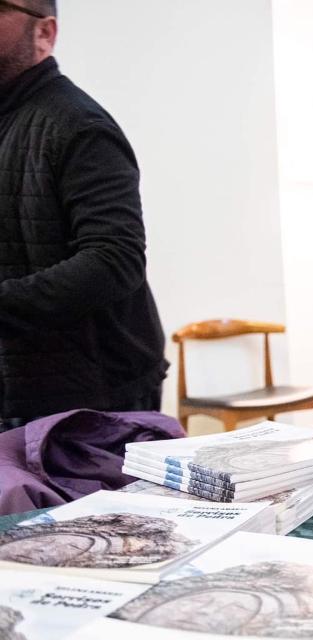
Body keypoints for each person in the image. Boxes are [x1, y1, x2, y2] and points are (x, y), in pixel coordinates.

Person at [0, 0, 167, 433]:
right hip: (19, 388)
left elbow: (114, 260)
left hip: (91, 399)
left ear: (45, 33)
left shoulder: (79, 126)